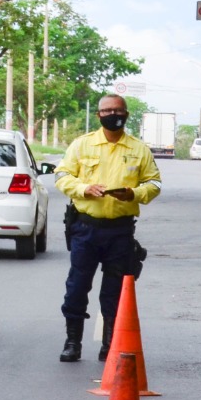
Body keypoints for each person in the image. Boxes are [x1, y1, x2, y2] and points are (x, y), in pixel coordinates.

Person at [55, 95, 162, 362]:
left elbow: (155, 183)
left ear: (126, 114)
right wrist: (83, 188)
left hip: (120, 232)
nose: (113, 114)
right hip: (86, 229)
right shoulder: (82, 145)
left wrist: (134, 194)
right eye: (107, 110)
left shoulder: (139, 149)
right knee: (77, 287)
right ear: (99, 115)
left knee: (115, 291)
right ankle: (72, 342)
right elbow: (62, 175)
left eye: (118, 110)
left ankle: (110, 344)